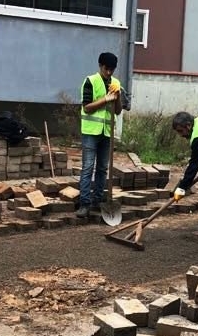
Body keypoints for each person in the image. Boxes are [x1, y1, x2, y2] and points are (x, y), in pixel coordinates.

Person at [76, 52, 124, 218]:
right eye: (106, 69)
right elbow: (87, 107)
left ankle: (98, 201)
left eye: (112, 70)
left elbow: (118, 110)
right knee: (88, 167)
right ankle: (84, 204)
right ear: (100, 65)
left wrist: (117, 97)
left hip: (107, 132)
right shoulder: (90, 81)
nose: (109, 72)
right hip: (91, 131)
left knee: (103, 168)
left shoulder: (116, 83)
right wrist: (105, 98)